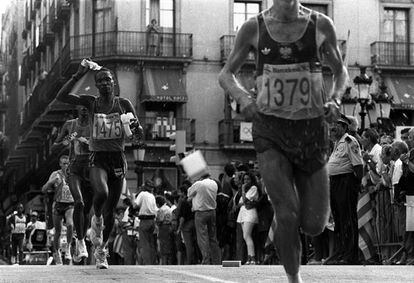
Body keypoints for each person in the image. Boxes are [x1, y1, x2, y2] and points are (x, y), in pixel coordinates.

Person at [218, 1, 347, 281]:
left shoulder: (320, 25)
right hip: (271, 131)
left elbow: (340, 71)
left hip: (312, 132)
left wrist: (335, 99)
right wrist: (244, 100)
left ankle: (290, 225)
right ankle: (294, 277)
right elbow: (226, 74)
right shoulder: (254, 28)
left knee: (314, 225)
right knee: (287, 215)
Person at [56, 61, 144, 269]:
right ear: (96, 85)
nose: (105, 83)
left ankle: (101, 250)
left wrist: (135, 129)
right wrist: (78, 75)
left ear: (113, 83)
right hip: (98, 158)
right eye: (101, 80)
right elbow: (62, 96)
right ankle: (95, 219)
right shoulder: (91, 103)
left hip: (118, 159)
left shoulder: (124, 104)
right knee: (101, 194)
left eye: (108, 80)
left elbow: (137, 131)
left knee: (111, 210)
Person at [53, 105, 93, 263]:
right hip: (74, 169)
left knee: (87, 210)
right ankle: (80, 242)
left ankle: (79, 239)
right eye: (82, 107)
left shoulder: (95, 123)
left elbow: (103, 143)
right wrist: (67, 139)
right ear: (77, 108)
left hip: (91, 170)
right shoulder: (70, 124)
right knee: (79, 203)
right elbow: (57, 144)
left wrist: (88, 142)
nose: (85, 110)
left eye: (87, 107)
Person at [327, 116, 363, 264]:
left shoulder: (349, 141)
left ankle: (350, 255)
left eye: (336, 125)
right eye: (331, 125)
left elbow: (359, 166)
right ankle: (340, 252)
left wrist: (355, 184)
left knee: (347, 218)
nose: (332, 128)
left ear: (344, 127)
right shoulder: (336, 143)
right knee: (339, 219)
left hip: (346, 182)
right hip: (336, 183)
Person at [42, 155, 74, 265]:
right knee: (58, 231)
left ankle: (68, 248)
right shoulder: (55, 174)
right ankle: (57, 252)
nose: (66, 165)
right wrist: (51, 182)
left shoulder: (72, 174)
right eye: (64, 163)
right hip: (58, 205)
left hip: (70, 204)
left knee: (70, 224)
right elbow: (43, 189)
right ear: (60, 164)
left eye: (67, 163)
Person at [188, 173, 221, 265]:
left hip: (200, 213)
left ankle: (206, 260)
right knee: (213, 237)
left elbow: (189, 193)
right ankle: (216, 260)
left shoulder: (199, 184)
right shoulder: (214, 183)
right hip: (212, 212)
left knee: (202, 237)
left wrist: (195, 183)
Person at [236, 171, 260, 265]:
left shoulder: (254, 188)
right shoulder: (246, 189)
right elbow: (239, 203)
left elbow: (245, 200)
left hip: (250, 213)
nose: (246, 181)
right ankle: (250, 258)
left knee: (247, 235)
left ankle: (252, 258)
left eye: (248, 179)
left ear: (252, 180)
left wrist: (242, 189)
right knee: (245, 236)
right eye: (244, 179)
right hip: (243, 213)